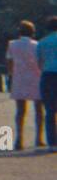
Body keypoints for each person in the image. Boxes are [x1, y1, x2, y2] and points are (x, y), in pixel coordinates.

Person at [6, 21, 43, 150]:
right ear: (32, 32)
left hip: (19, 78)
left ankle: (19, 138)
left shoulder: (12, 44)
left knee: (20, 111)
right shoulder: (37, 45)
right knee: (39, 110)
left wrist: (11, 75)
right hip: (36, 79)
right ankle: (39, 138)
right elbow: (40, 62)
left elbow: (9, 63)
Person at [36, 16, 57, 151]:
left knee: (50, 110)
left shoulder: (42, 42)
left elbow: (39, 63)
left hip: (48, 75)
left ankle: (52, 143)